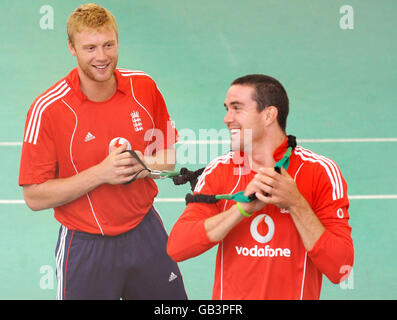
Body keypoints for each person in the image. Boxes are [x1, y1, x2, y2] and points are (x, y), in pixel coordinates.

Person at [19, 3, 187, 300]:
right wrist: (101, 173)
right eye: (90, 47)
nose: (102, 57)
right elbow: (34, 196)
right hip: (86, 246)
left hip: (146, 232)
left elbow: (167, 158)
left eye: (108, 45)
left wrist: (140, 165)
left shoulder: (144, 87)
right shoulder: (48, 109)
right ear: (72, 48)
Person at [167, 74, 354, 300]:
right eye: (227, 109)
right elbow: (177, 247)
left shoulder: (320, 172)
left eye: (237, 108)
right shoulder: (220, 170)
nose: (227, 118)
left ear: (268, 115)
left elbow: (340, 268)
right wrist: (241, 209)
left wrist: (296, 203)